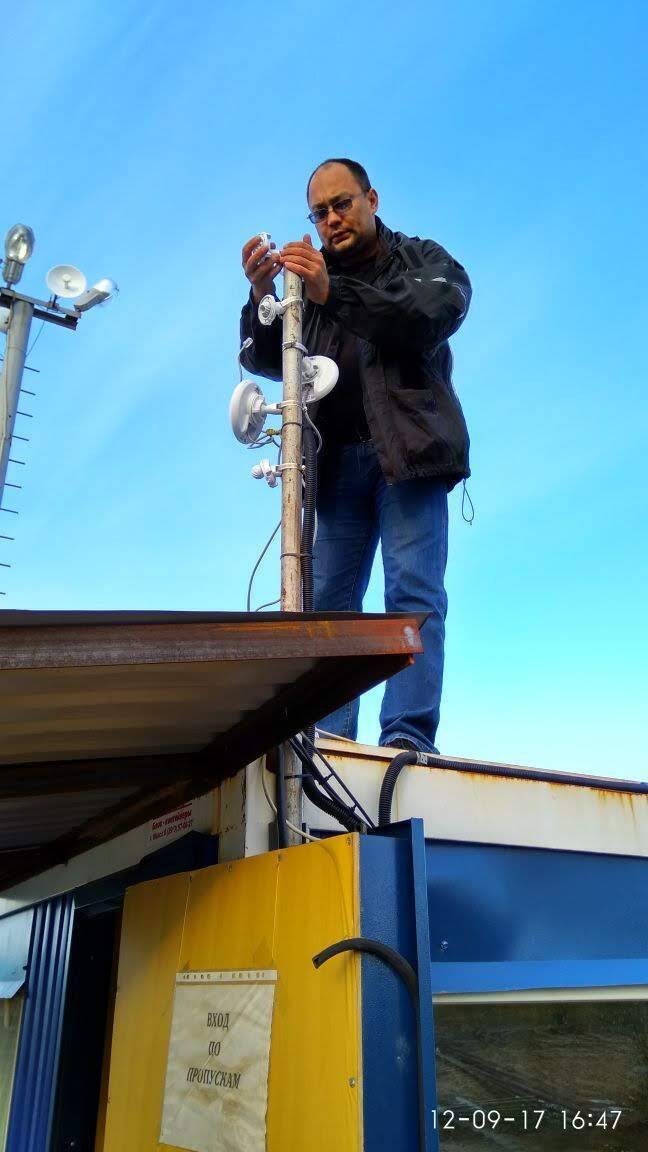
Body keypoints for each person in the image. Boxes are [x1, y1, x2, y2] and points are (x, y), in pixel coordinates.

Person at [239, 158, 471, 754]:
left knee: (413, 595)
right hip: (335, 465)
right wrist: (263, 293)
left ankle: (407, 739)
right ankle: (329, 744)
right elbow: (267, 358)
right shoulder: (308, 280)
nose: (332, 219)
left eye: (342, 204)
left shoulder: (421, 259)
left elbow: (427, 315)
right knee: (329, 612)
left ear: (372, 199)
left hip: (409, 460)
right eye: (320, 212)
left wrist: (330, 290)